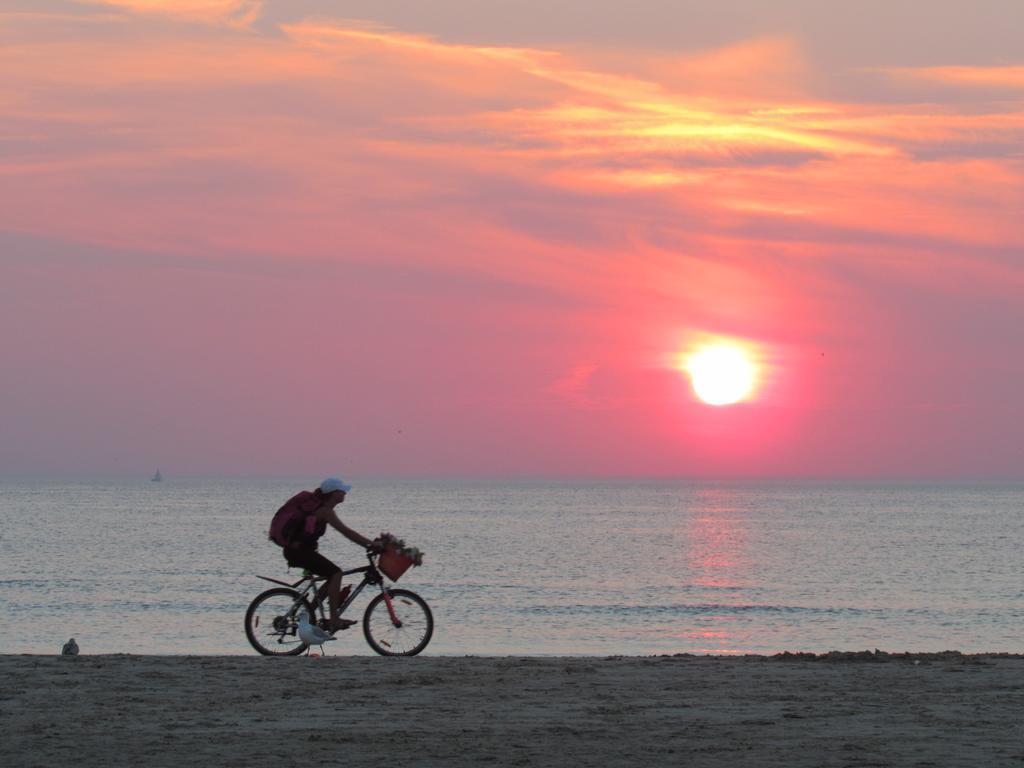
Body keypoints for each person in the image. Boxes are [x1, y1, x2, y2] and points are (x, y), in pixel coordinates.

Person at [274, 477, 380, 632]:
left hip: (300, 551)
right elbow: (347, 532)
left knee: (331, 575)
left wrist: (369, 544)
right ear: (334, 493)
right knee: (336, 573)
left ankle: (308, 613)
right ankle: (334, 620)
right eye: (342, 490)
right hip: (298, 552)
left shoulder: (322, 508)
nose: (345, 493)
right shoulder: (324, 511)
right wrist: (371, 544)